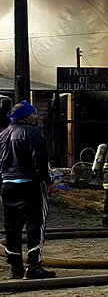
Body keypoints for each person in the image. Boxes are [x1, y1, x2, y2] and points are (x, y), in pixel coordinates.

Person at [0, 101, 56, 279]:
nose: (36, 116)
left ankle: (15, 267)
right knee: (35, 225)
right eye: (33, 113)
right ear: (25, 116)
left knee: (11, 227)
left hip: (7, 186)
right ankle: (33, 266)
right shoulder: (32, 133)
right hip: (30, 185)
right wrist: (49, 181)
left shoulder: (2, 135)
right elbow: (40, 160)